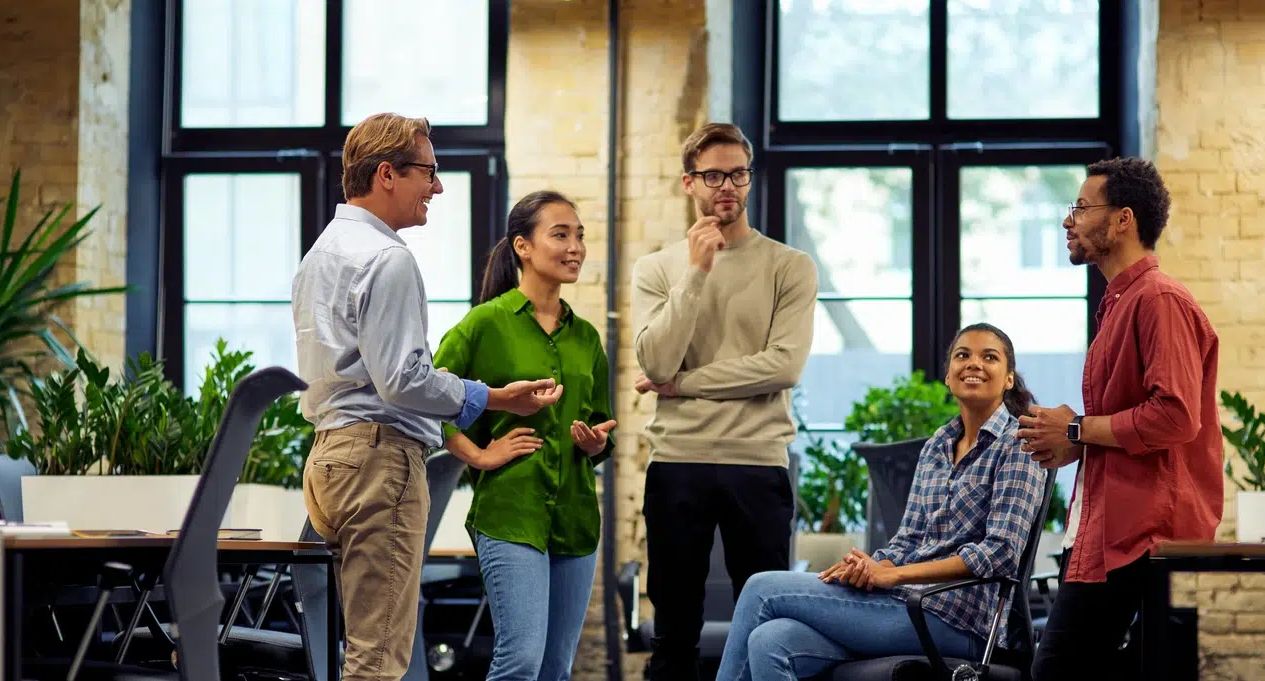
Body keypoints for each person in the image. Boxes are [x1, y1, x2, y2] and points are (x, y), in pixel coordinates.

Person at [291, 112, 562, 681]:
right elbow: (403, 380)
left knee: (361, 647)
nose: (436, 187)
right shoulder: (387, 259)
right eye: (428, 173)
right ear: (386, 174)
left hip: (329, 458)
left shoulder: (320, 254)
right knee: (379, 655)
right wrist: (490, 397)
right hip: (378, 461)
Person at [714, 323, 1049, 681]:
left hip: (956, 619)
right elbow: (907, 541)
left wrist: (892, 575)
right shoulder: (939, 444)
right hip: (902, 604)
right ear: (949, 377)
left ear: (1009, 378)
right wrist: (870, 567)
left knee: (761, 588)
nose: (974, 364)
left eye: (990, 357)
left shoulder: (1018, 444)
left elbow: (1000, 554)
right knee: (770, 640)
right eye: (962, 355)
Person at [1017, 157, 1222, 681]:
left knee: (1055, 672)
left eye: (1082, 208)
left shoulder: (1159, 299)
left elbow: (1175, 416)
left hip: (1141, 531)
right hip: (1114, 527)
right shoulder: (1121, 302)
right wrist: (1075, 440)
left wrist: (1077, 429)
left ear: (1123, 220)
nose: (1069, 220)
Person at [630, 122, 818, 681]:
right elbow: (657, 363)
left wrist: (686, 384)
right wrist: (696, 272)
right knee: (673, 633)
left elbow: (783, 366)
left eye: (738, 174)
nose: (727, 187)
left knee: (763, 626)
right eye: (713, 175)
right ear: (690, 183)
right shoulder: (658, 269)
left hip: (757, 462)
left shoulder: (790, 266)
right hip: (678, 462)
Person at [432, 190, 617, 681]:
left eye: (579, 235)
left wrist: (595, 443)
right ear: (523, 247)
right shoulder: (484, 324)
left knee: (556, 669)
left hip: (576, 520)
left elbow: (600, 420)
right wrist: (480, 454)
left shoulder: (586, 338)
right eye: (560, 234)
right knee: (520, 663)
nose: (575, 246)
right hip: (511, 514)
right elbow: (430, 400)